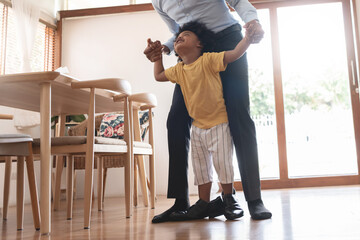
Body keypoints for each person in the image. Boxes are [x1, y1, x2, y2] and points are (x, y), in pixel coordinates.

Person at [144, 0, 272, 223]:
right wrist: (164, 48)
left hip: (227, 39)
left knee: (238, 115)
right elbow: (177, 30)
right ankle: (181, 203)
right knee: (176, 120)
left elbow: (239, 2)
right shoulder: (158, 2)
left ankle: (253, 200)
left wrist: (252, 22)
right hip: (193, 50)